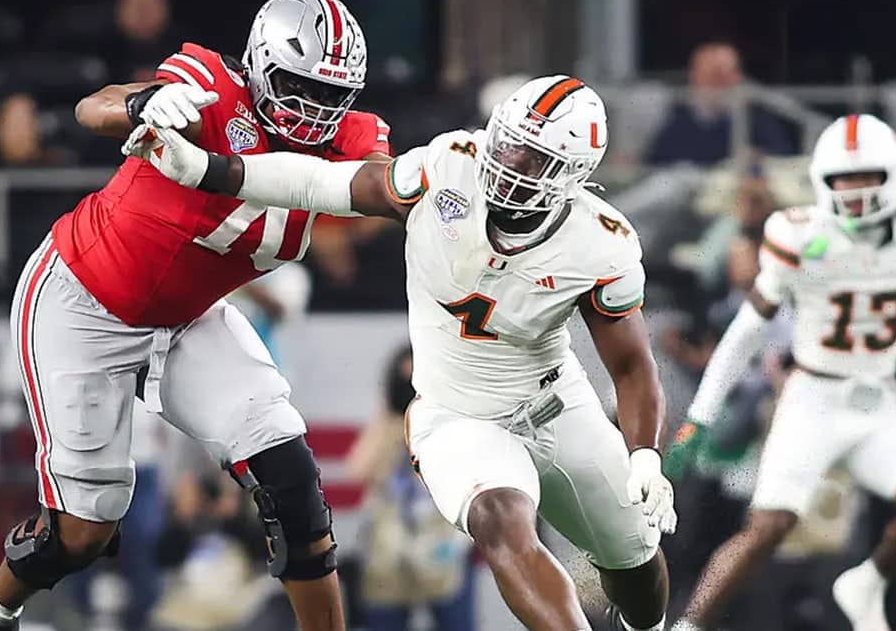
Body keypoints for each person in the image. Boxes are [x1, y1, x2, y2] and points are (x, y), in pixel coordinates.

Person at [135, 74, 678, 631]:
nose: (510, 163)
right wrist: (210, 170)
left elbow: (632, 365)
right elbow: (327, 183)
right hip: (457, 415)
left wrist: (645, 455)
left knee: (635, 565)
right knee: (501, 520)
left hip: (556, 405)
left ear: (572, 176)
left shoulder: (599, 243)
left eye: (533, 158)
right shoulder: (445, 170)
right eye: (509, 141)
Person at [0, 0, 389, 631]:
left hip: (187, 318)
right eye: (300, 89)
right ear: (262, 67)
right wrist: (140, 104)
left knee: (291, 478)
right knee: (82, 530)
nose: (316, 112)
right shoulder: (211, 88)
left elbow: (387, 185)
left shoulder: (353, 138)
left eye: (332, 95)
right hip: (85, 301)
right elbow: (91, 107)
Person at [663, 114, 896, 631]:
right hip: (813, 397)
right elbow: (745, 332)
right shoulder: (799, 235)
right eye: (842, 179)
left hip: (879, 398)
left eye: (865, 177)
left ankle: (867, 582)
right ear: (821, 183)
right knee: (768, 527)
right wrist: (700, 415)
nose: (853, 191)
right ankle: (689, 625)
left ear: (892, 175)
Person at [346, 345, 475, 631]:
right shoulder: (387, 426)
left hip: (443, 543)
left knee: (456, 623)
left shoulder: (452, 421)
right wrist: (388, 412)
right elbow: (358, 470)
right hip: (389, 549)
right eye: (405, 385)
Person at [644, 42, 795, 167]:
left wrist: (760, 158)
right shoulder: (677, 121)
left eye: (727, 75)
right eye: (713, 75)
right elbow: (655, 163)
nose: (720, 84)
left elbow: (784, 157)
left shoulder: (757, 119)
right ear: (694, 77)